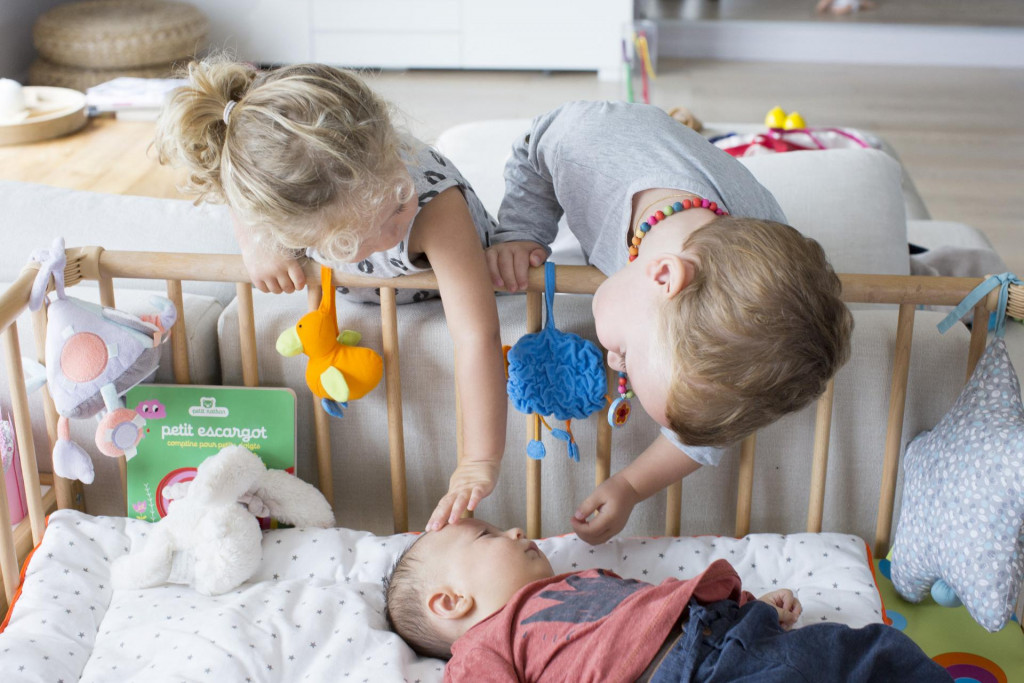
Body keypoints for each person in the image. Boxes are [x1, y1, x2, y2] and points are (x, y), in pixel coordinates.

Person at [154, 59, 506, 527]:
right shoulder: (282, 193)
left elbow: (475, 337)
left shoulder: (431, 209)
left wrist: (478, 460)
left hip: (435, 279)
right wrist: (254, 241)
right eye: (379, 223)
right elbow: (235, 183)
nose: (401, 209)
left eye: (399, 195)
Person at [483, 100, 854, 545]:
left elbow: (702, 433)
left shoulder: (754, 294)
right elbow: (534, 148)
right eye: (631, 356)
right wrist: (521, 231)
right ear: (663, 275)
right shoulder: (583, 148)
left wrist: (630, 485)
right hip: (621, 141)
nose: (615, 365)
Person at [383, 518, 953, 682]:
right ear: (451, 601)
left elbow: (665, 602)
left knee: (868, 646)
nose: (511, 532)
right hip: (679, 673)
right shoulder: (486, 644)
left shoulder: (583, 579)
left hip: (735, 633)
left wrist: (759, 603)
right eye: (486, 536)